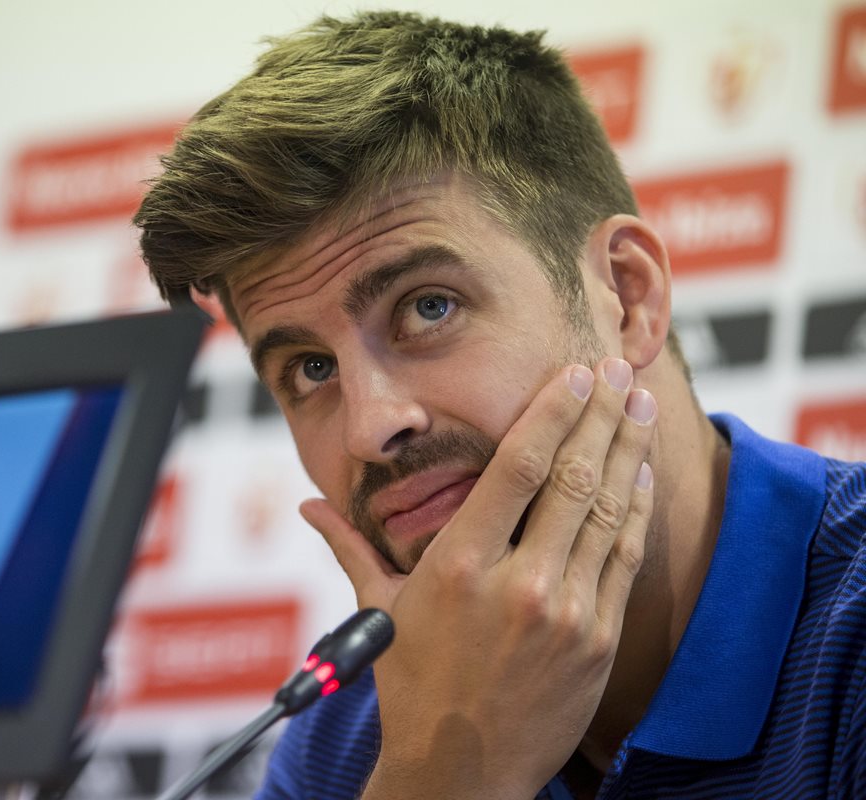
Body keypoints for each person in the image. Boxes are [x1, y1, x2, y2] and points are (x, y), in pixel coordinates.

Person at [133, 11, 866, 799]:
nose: (372, 427)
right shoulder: (358, 732)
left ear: (627, 296)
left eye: (428, 309)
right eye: (312, 369)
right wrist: (440, 774)